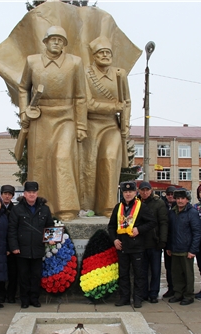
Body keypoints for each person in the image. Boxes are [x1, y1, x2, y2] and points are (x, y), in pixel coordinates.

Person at [18, 26, 87, 221]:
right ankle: (40, 207)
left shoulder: (75, 63)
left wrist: (81, 125)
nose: (56, 42)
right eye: (53, 39)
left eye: (60, 40)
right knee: (38, 162)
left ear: (64, 44)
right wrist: (24, 111)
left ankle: (67, 208)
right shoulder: (32, 61)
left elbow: (81, 96)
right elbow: (23, 88)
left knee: (62, 158)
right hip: (40, 117)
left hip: (66, 117)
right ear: (46, 41)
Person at [80, 36, 131, 217]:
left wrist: (125, 124)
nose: (104, 55)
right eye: (101, 52)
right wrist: (115, 107)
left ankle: (108, 207)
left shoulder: (120, 74)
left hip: (111, 125)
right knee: (89, 165)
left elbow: (127, 101)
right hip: (90, 124)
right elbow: (88, 103)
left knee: (109, 160)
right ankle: (86, 207)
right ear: (94, 55)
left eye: (107, 52)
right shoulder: (85, 73)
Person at [108, 181, 156, 308]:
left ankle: (138, 298)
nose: (128, 194)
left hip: (137, 246)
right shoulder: (118, 207)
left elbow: (152, 222)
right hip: (122, 246)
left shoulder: (141, 207)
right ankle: (124, 298)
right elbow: (111, 226)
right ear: (122, 193)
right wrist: (114, 240)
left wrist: (139, 229)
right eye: (125, 192)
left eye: (130, 191)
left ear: (135, 192)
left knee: (138, 274)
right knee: (123, 274)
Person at [8, 181, 54, 308]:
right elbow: (12, 229)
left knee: (36, 276)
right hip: (22, 250)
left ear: (37, 193)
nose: (31, 195)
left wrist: (51, 238)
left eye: (34, 192)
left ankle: (34, 298)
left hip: (38, 249)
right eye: (29, 192)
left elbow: (49, 225)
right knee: (23, 276)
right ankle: (24, 299)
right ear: (24, 194)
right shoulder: (17, 209)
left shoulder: (44, 209)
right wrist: (14, 247)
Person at [166, 188, 201, 306]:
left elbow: (197, 232)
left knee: (188, 274)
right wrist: (168, 247)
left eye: (183, 198)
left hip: (187, 250)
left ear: (187, 200)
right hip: (175, 248)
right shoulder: (172, 212)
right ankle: (178, 293)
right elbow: (170, 231)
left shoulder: (192, 213)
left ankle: (188, 295)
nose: (180, 201)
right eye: (178, 198)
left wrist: (193, 250)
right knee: (176, 273)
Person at [137, 181, 168, 303]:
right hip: (140, 242)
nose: (145, 192)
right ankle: (144, 293)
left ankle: (154, 293)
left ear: (151, 191)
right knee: (142, 270)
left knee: (155, 270)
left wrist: (163, 240)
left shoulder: (158, 203)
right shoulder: (136, 203)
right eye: (142, 190)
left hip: (154, 242)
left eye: (147, 190)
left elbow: (163, 222)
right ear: (139, 191)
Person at [0, 184, 17, 303]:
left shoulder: (15, 209)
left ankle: (11, 295)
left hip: (12, 246)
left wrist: (11, 247)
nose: (7, 196)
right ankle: (1, 295)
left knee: (13, 273)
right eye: (5, 194)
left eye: (9, 194)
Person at [162, 185, 177, 298]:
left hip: (178, 242)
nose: (170, 196)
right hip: (166, 241)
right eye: (168, 194)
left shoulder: (181, 206)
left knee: (178, 268)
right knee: (169, 267)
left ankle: (179, 289)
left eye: (172, 194)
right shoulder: (163, 206)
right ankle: (171, 288)